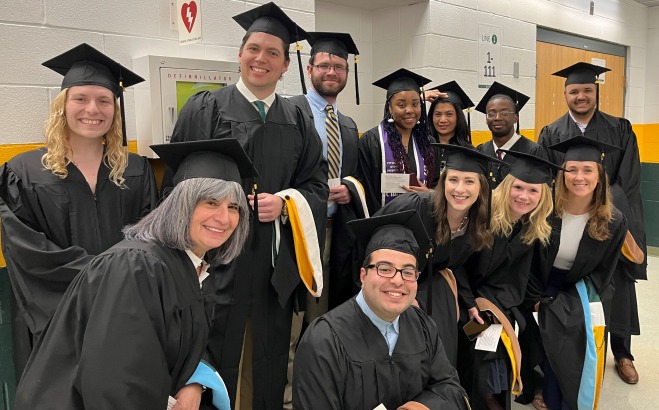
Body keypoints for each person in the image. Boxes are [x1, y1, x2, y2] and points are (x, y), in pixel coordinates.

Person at [168, 3, 328, 408]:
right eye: (254, 49)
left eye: (273, 52)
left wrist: (287, 202)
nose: (262, 59)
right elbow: (177, 187)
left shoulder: (297, 117)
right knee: (213, 349)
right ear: (240, 54)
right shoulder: (205, 108)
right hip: (218, 263)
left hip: (276, 266)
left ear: (285, 65)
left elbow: (316, 184)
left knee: (271, 356)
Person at [14, 138, 254, 410]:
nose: (224, 218)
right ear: (181, 204)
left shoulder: (192, 265)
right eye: (211, 202)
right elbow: (117, 384)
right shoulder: (137, 267)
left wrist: (194, 382)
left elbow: (185, 346)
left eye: (233, 207)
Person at [0, 43, 157, 373]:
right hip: (56, 320)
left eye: (104, 100)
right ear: (63, 106)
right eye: (81, 98)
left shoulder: (137, 170)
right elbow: (28, 253)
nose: (92, 109)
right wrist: (106, 277)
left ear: (115, 110)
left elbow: (150, 241)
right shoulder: (24, 173)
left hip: (124, 315)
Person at [293, 210, 470, 410]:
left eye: (408, 272)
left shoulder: (423, 326)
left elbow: (450, 389)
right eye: (384, 269)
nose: (397, 280)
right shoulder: (324, 340)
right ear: (363, 275)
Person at [537, 62, 647, 385]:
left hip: (608, 219)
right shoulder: (551, 132)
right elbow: (547, 179)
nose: (581, 96)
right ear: (565, 94)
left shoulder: (620, 129)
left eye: (587, 90)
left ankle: (623, 352)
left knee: (619, 281)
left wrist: (604, 212)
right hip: (567, 217)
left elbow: (629, 180)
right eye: (574, 91)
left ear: (596, 91)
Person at [373, 144, 505, 367]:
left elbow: (456, 265)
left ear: (482, 188)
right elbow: (377, 247)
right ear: (443, 182)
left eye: (469, 181)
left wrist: (469, 302)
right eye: (453, 180)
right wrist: (403, 290)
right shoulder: (416, 208)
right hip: (390, 287)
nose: (459, 189)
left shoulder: (476, 223)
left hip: (429, 291)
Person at [523, 136, 627, 409]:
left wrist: (569, 305)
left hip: (586, 287)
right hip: (543, 282)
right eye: (572, 169)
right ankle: (541, 383)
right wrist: (538, 297)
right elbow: (528, 260)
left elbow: (606, 270)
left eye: (587, 170)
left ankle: (565, 391)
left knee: (575, 330)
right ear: (562, 173)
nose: (579, 177)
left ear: (599, 176)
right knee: (542, 323)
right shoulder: (544, 211)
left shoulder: (613, 220)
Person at [458, 151, 561, 410]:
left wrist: (539, 304)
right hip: (466, 302)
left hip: (506, 304)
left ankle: (508, 390)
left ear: (543, 197)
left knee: (524, 331)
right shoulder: (481, 217)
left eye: (533, 191)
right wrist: (471, 302)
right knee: (478, 336)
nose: (523, 196)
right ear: (506, 186)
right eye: (518, 187)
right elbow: (456, 265)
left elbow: (531, 277)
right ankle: (481, 397)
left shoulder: (533, 228)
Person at [288, 31, 368, 315]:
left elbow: (355, 172)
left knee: (329, 304)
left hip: (337, 228)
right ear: (309, 70)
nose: (331, 72)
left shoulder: (347, 124)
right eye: (323, 65)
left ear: (347, 72)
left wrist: (348, 187)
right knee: (298, 308)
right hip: (299, 227)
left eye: (338, 67)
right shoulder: (289, 112)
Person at [358, 68, 436, 214]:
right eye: (401, 105)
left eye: (415, 104)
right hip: (383, 224)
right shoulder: (372, 141)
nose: (409, 110)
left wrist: (430, 193)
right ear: (390, 107)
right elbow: (366, 188)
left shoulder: (427, 142)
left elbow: (437, 182)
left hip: (421, 221)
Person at [475, 81, 546, 188]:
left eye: (504, 113)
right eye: (491, 114)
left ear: (515, 118)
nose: (497, 117)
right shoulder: (481, 151)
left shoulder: (533, 152)